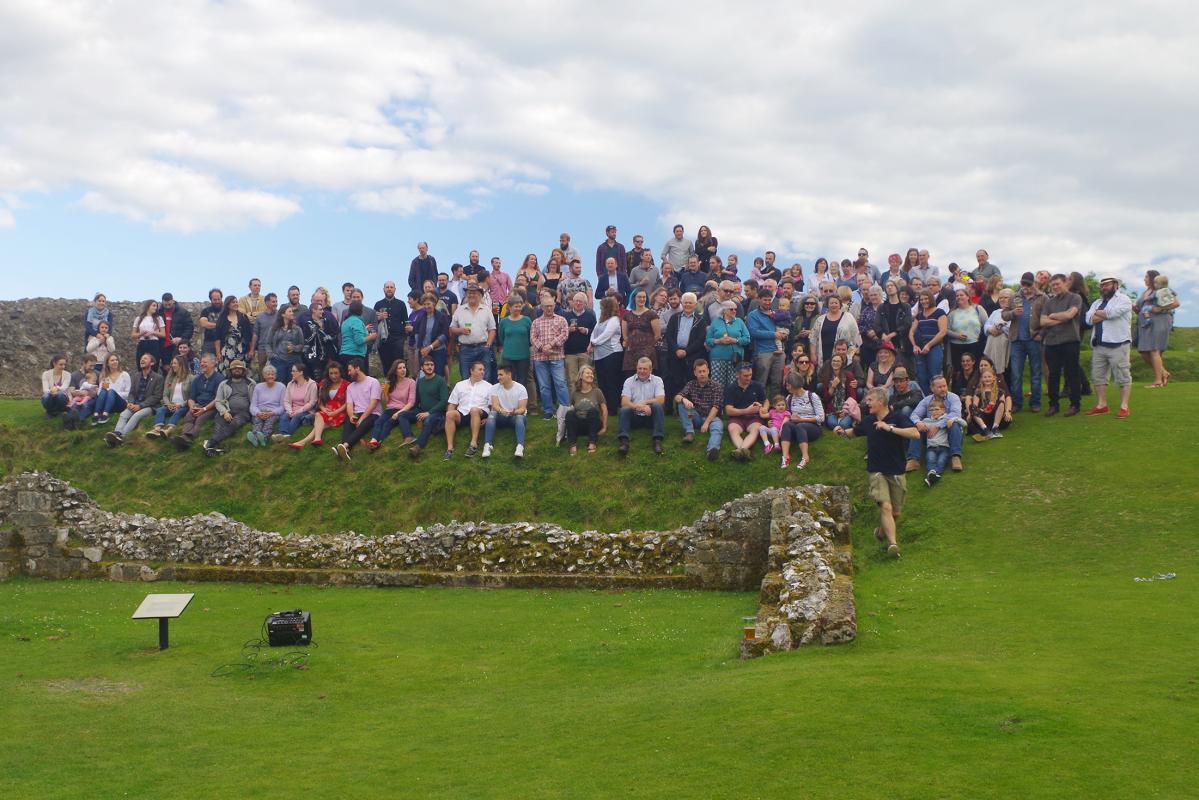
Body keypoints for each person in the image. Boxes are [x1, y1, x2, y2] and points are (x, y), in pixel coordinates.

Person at [835, 386, 922, 558]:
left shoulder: (898, 417)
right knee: (886, 506)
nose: (866, 403)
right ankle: (893, 545)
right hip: (876, 471)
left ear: (881, 401)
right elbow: (853, 433)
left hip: (896, 471)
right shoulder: (868, 421)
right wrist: (841, 432)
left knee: (895, 512)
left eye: (870, 400)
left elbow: (915, 434)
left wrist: (889, 428)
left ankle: (881, 532)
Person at [1085, 275, 1134, 418]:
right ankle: (1102, 405)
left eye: (1107, 284)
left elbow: (1113, 313)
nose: (1104, 287)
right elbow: (1088, 319)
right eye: (1102, 285)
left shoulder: (1124, 299)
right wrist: (1104, 314)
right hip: (1099, 345)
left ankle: (1124, 407)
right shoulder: (1097, 302)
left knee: (1123, 376)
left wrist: (1100, 314)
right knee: (1098, 376)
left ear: (1116, 285)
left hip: (1119, 344)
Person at [1039, 274, 1084, 417]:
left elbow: (1070, 315)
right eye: (1053, 285)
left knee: (1072, 374)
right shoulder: (1049, 302)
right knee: (1053, 375)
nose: (1055, 287)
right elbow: (1042, 322)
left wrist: (1052, 316)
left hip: (1070, 341)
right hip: (1051, 342)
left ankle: (1075, 404)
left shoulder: (1075, 298)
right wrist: (1061, 318)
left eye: (1058, 284)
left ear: (1065, 283)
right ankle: (1053, 405)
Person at [903, 375, 964, 475]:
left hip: (948, 431)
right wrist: (918, 422)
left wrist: (938, 425)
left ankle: (955, 456)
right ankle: (913, 459)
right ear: (932, 388)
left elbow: (956, 413)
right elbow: (914, 414)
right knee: (917, 427)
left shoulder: (954, 397)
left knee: (954, 423)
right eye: (939, 387)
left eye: (944, 386)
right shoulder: (926, 400)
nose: (943, 389)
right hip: (930, 432)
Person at [104, 353, 164, 446]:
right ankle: (117, 433)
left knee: (136, 415)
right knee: (123, 415)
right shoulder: (136, 376)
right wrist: (130, 402)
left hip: (150, 406)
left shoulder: (158, 378)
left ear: (152, 363)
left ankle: (122, 436)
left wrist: (140, 406)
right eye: (141, 359)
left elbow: (157, 396)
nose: (142, 360)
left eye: (145, 358)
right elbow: (131, 393)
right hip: (135, 404)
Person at [1135, 270, 1181, 388]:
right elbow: (1140, 309)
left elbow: (1176, 303)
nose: (1144, 279)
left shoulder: (1163, 289)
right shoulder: (1145, 292)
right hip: (1145, 324)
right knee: (1144, 352)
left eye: (1146, 277)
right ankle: (1164, 373)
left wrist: (1159, 309)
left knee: (1154, 350)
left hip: (1159, 321)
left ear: (1153, 278)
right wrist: (1134, 308)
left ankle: (1158, 381)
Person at [331, 358, 382, 462]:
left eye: (350, 370)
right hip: (358, 413)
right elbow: (349, 405)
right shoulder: (350, 387)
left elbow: (373, 403)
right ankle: (345, 449)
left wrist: (362, 418)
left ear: (357, 368)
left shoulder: (373, 382)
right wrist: (351, 416)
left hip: (373, 413)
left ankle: (345, 445)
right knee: (348, 420)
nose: (348, 373)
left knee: (365, 422)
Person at [201, 359, 255, 456]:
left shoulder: (251, 383)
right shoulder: (224, 384)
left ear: (243, 370)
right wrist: (225, 412)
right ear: (231, 371)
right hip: (227, 409)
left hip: (244, 412)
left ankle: (211, 442)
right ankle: (214, 448)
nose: (237, 370)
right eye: (234, 368)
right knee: (219, 424)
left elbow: (255, 400)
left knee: (234, 424)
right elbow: (218, 401)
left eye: (239, 368)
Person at [288, 362, 347, 450]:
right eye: (331, 373)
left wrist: (335, 412)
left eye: (336, 373)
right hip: (326, 412)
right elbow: (320, 401)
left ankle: (307, 441)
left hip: (339, 412)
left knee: (318, 419)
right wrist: (324, 409)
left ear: (340, 373)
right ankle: (315, 439)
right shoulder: (324, 383)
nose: (333, 376)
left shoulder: (346, 384)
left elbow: (347, 403)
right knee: (319, 416)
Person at [674, 358, 725, 459]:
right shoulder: (691, 384)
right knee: (681, 404)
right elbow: (677, 397)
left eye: (704, 371)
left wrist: (706, 423)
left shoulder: (716, 386)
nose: (702, 374)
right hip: (695, 416)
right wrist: (684, 399)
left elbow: (715, 407)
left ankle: (712, 449)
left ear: (708, 371)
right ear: (695, 373)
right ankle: (690, 432)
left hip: (711, 417)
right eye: (699, 372)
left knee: (718, 428)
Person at [530, 293, 570, 419]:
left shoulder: (561, 320)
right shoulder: (536, 322)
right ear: (541, 307)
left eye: (551, 306)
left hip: (557, 356)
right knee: (544, 386)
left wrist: (550, 345)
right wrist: (543, 347)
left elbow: (565, 335)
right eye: (546, 306)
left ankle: (565, 410)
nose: (549, 308)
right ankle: (548, 411)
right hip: (540, 358)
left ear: (554, 306)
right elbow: (533, 338)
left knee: (560, 384)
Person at [663, 292, 708, 402]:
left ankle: (690, 406)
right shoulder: (674, 318)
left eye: (690, 303)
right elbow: (669, 336)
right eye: (685, 302)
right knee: (674, 382)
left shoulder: (700, 320)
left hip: (692, 356)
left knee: (690, 382)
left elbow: (700, 340)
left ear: (695, 304)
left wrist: (686, 351)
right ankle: (673, 407)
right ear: (681, 303)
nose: (687, 305)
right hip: (675, 355)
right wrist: (677, 349)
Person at [172, 353, 223, 449]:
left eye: (205, 362)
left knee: (200, 419)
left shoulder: (219, 379)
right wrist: (192, 406)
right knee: (189, 417)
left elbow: (218, 399)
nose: (202, 364)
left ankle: (189, 438)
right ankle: (184, 437)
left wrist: (204, 409)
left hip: (212, 407)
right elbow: (191, 398)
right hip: (198, 405)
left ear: (213, 364)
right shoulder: (197, 379)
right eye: (201, 362)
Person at [443, 360, 492, 459]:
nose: (483, 372)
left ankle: (473, 444)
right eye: (480, 369)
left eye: (483, 370)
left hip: (480, 412)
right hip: (463, 412)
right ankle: (449, 448)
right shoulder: (460, 385)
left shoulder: (489, 386)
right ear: (471, 371)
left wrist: (488, 419)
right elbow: (452, 403)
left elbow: (492, 406)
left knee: (474, 410)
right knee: (449, 414)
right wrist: (448, 417)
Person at [617, 357, 665, 456]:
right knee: (624, 409)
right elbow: (624, 401)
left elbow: (661, 399)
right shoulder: (629, 381)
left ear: (650, 370)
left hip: (651, 416)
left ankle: (657, 440)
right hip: (635, 416)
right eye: (640, 368)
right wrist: (637, 407)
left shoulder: (658, 380)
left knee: (657, 406)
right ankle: (624, 441)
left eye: (645, 369)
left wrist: (646, 402)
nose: (641, 371)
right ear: (636, 368)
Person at [777, 371, 824, 470]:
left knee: (800, 426)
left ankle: (805, 457)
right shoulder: (789, 398)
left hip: (813, 427)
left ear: (793, 385)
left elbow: (821, 417)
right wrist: (780, 426)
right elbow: (787, 414)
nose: (786, 387)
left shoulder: (812, 396)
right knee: (786, 425)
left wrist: (802, 419)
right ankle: (785, 456)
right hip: (795, 426)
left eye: (788, 385)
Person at [450, 284, 497, 381]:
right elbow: (452, 328)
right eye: (469, 293)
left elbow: (492, 329)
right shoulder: (459, 310)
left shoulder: (486, 310)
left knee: (485, 378)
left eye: (474, 293)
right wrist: (461, 330)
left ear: (479, 295)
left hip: (483, 348)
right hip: (466, 349)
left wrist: (488, 344)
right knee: (465, 378)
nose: (472, 295)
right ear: (466, 295)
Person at [407, 358, 451, 459]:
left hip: (437, 412)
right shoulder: (420, 381)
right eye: (427, 365)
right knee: (402, 415)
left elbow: (444, 401)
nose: (430, 367)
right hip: (421, 410)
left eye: (432, 364)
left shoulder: (440, 380)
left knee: (428, 421)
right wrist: (411, 410)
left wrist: (429, 413)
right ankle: (408, 437)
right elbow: (417, 399)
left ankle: (418, 446)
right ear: (422, 367)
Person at [482, 363, 528, 459]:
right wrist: (501, 410)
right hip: (501, 416)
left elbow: (522, 409)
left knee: (519, 417)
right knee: (491, 414)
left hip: (515, 416)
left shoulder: (521, 388)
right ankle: (487, 445)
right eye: (498, 375)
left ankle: (520, 446)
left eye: (501, 375)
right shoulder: (494, 388)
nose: (498, 377)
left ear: (509, 375)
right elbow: (495, 405)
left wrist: (514, 412)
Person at [723, 363, 766, 461]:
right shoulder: (731, 388)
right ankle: (744, 451)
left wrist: (764, 408)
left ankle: (740, 450)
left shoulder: (757, 386)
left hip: (754, 417)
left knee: (756, 429)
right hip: (737, 417)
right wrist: (747, 411)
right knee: (733, 429)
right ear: (737, 375)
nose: (748, 378)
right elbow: (728, 411)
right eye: (745, 375)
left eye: (750, 375)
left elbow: (765, 400)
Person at [590, 296, 625, 414]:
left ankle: (612, 407)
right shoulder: (600, 320)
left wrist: (594, 343)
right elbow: (593, 333)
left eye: (602, 307)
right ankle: (604, 406)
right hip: (599, 355)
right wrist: (591, 341)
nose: (600, 309)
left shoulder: (614, 320)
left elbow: (606, 335)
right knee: (602, 382)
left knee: (611, 382)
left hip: (612, 354)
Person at [747, 294, 786, 396]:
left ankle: (776, 404)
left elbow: (784, 325)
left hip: (779, 351)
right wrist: (774, 334)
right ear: (759, 299)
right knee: (761, 382)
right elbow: (754, 332)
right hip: (763, 351)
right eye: (765, 300)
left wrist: (784, 334)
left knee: (777, 382)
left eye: (769, 300)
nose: (768, 302)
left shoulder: (776, 313)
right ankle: (760, 403)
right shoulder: (753, 315)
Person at [910, 291, 948, 394]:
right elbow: (911, 332)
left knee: (935, 375)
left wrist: (929, 345)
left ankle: (938, 398)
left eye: (926, 299)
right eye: (921, 299)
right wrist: (914, 345)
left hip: (934, 347)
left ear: (931, 299)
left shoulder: (940, 312)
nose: (923, 301)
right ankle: (927, 399)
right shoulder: (919, 315)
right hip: (920, 348)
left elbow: (943, 331)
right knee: (922, 377)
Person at [706, 300, 751, 388]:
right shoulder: (715, 322)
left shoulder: (739, 322)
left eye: (735, 309)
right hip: (718, 359)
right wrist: (719, 341)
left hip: (735, 359)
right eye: (731, 309)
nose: (734, 311)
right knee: (717, 386)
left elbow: (747, 339)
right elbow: (708, 340)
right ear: (724, 310)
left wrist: (735, 340)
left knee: (734, 385)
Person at [564, 365, 607, 455]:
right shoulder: (575, 393)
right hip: (579, 425)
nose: (591, 375)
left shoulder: (597, 391)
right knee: (570, 413)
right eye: (588, 373)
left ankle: (592, 442)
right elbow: (571, 408)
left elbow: (604, 410)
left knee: (593, 411)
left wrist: (604, 427)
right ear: (581, 376)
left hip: (593, 424)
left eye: (592, 374)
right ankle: (572, 444)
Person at [809, 295, 861, 370]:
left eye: (836, 303)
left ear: (840, 304)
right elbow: (813, 338)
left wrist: (853, 354)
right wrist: (813, 354)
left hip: (843, 354)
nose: (834, 305)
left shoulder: (849, 317)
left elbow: (856, 337)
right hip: (823, 354)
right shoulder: (820, 319)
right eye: (831, 303)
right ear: (827, 305)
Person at [919, 397, 962, 487]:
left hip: (944, 447)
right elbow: (918, 426)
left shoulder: (946, 419)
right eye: (932, 410)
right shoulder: (926, 421)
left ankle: (933, 474)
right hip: (931, 448)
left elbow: (964, 424)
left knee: (941, 461)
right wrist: (919, 424)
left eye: (937, 409)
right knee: (930, 460)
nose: (934, 412)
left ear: (943, 410)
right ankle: (932, 474)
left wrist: (954, 419)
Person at [147, 355, 192, 439]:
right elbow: (165, 395)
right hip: (171, 404)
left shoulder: (190, 378)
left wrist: (181, 405)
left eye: (175, 363)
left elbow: (192, 396)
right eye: (172, 363)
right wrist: (168, 404)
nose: (172, 365)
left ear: (181, 364)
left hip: (184, 406)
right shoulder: (170, 377)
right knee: (160, 410)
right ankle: (157, 429)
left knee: (178, 412)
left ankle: (169, 430)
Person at [965, 363, 1011, 441]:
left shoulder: (1000, 391)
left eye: (989, 377)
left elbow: (1002, 405)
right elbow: (975, 405)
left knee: (1001, 403)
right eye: (985, 377)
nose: (987, 379)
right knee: (972, 407)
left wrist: (1007, 412)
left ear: (994, 378)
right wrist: (974, 412)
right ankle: (985, 429)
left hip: (995, 415)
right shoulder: (978, 391)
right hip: (983, 416)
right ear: (981, 379)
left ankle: (995, 428)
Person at [621, 287, 661, 375]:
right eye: (639, 297)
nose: (642, 299)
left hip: (647, 353)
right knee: (630, 377)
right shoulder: (626, 316)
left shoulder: (652, 314)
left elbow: (657, 335)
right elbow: (625, 336)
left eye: (644, 297)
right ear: (634, 298)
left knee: (646, 376)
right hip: (631, 352)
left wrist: (648, 345)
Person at [562, 292, 596, 389]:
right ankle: (574, 398)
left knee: (586, 378)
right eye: (576, 301)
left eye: (580, 301)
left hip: (585, 352)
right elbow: (560, 332)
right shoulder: (565, 316)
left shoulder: (590, 315)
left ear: (585, 303)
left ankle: (585, 398)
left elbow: (595, 332)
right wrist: (568, 330)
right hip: (569, 353)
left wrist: (586, 331)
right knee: (572, 380)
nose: (578, 303)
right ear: (572, 302)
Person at [947, 288, 985, 375]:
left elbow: (986, 325)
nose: (959, 297)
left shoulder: (977, 309)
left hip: (975, 345)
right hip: (956, 347)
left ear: (968, 297)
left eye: (961, 295)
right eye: (957, 296)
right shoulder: (952, 313)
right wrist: (956, 335)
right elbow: (946, 329)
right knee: (958, 371)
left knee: (975, 370)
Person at [246, 364, 286, 446]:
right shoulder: (258, 387)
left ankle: (264, 438)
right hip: (260, 411)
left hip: (273, 412)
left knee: (269, 422)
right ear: (264, 376)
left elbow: (283, 406)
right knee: (257, 421)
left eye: (272, 374)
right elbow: (253, 405)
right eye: (268, 374)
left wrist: (272, 413)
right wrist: (258, 413)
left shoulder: (281, 387)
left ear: (275, 376)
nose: (270, 376)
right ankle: (255, 437)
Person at [277, 362, 317, 440]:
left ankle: (285, 435)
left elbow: (312, 402)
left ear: (301, 372)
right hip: (292, 410)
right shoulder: (290, 384)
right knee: (284, 417)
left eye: (293, 371)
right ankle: (284, 435)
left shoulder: (312, 384)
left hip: (306, 410)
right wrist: (290, 411)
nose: (291, 373)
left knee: (296, 417)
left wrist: (298, 411)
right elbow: (286, 401)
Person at [215, 296, 253, 374]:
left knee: (241, 372)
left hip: (242, 351)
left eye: (236, 302)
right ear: (228, 305)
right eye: (233, 302)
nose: (236, 304)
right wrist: (218, 353)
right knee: (225, 373)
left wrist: (251, 350)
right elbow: (217, 337)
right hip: (226, 352)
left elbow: (249, 336)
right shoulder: (222, 319)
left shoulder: (243, 317)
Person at [821, 354, 860, 429]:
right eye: (834, 361)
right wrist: (833, 386)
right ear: (831, 362)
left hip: (846, 408)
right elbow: (826, 399)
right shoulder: (827, 376)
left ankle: (847, 420)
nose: (835, 363)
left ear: (842, 363)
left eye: (838, 361)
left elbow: (852, 396)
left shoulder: (848, 375)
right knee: (832, 424)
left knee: (843, 425)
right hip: (832, 410)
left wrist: (845, 410)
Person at [266, 304, 304, 381]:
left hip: (293, 361)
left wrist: (294, 348)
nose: (292, 313)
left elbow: (302, 344)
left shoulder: (297, 329)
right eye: (289, 311)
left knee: (292, 383)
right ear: (283, 314)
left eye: (292, 311)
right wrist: (272, 355)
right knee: (280, 382)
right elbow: (268, 343)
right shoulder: (274, 329)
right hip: (278, 361)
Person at [338, 301, 377, 374]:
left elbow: (350, 334)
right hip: (354, 355)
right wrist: (371, 337)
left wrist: (364, 329)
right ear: (360, 310)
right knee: (358, 379)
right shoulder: (357, 321)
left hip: (344, 354)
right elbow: (359, 341)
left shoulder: (346, 321)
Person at [91, 354, 131, 425]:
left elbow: (129, 393)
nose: (115, 362)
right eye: (112, 360)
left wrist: (114, 394)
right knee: (104, 390)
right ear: (107, 363)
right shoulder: (106, 377)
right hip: (108, 403)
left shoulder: (124, 375)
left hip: (121, 403)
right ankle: (96, 414)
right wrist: (108, 394)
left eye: (116, 360)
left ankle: (105, 415)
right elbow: (100, 392)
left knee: (111, 391)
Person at [158, 292, 193, 369]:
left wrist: (181, 339)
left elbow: (189, 328)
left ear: (173, 301)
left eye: (169, 304)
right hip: (163, 346)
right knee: (166, 369)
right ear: (162, 302)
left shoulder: (183, 312)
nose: (167, 306)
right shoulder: (158, 313)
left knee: (180, 367)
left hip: (177, 346)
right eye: (165, 305)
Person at [983, 288, 1013, 373]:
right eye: (1000, 298)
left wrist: (1002, 329)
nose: (1002, 300)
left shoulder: (1014, 312)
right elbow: (986, 325)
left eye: (1005, 297)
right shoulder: (995, 312)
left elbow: (1014, 328)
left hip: (1006, 347)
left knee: (1006, 373)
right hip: (992, 346)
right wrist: (990, 329)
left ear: (1012, 299)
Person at [249, 291, 278, 375]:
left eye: (276, 301)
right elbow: (255, 334)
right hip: (262, 349)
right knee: (262, 371)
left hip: (276, 349)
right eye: (273, 302)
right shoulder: (260, 317)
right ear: (267, 303)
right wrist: (252, 350)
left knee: (275, 371)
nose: (275, 304)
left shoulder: (280, 315)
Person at [130, 299, 166, 366]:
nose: (155, 308)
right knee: (141, 364)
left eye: (156, 306)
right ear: (148, 306)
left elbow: (163, 334)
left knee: (154, 365)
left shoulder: (159, 318)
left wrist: (152, 333)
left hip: (154, 343)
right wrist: (141, 334)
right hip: (142, 343)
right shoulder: (138, 318)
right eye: (154, 305)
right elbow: (133, 335)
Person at [198, 288, 224, 356]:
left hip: (224, 341)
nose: (217, 301)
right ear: (211, 300)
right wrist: (220, 325)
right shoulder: (206, 311)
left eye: (219, 299)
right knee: (206, 360)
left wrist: (212, 325)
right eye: (215, 300)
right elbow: (203, 324)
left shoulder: (226, 311)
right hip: (209, 341)